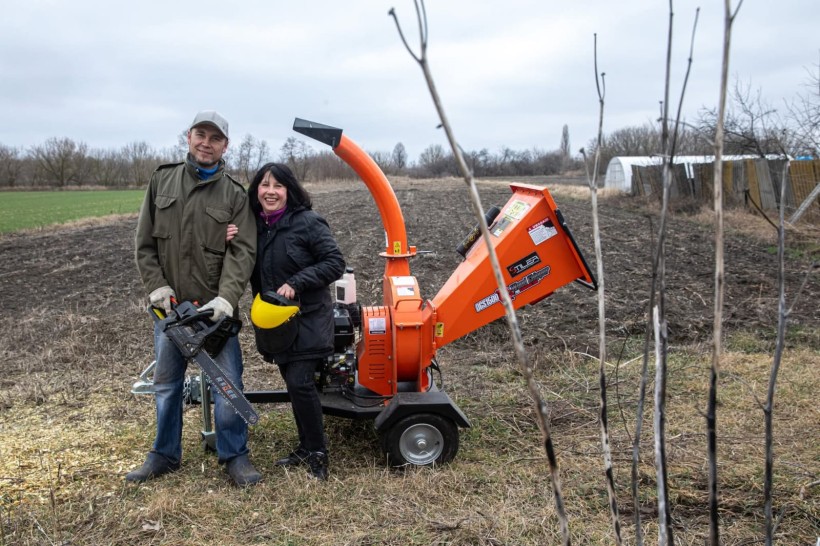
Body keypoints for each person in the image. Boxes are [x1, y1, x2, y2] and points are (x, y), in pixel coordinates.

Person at [128, 110, 260, 486]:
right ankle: (164, 454)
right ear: (188, 137)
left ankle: (235, 455)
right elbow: (144, 243)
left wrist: (226, 299)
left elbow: (243, 252)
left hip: (213, 313)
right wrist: (157, 287)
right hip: (169, 311)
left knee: (228, 384)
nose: (206, 142)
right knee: (167, 385)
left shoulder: (235, 195)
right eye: (200, 134)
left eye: (215, 138)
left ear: (225, 146)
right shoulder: (162, 180)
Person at [247, 162, 345, 480]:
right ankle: (305, 447)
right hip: (277, 322)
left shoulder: (308, 223)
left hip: (309, 317)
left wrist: (298, 281)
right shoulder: (255, 227)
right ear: (256, 190)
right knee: (293, 384)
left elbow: (335, 262)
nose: (271, 192)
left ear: (289, 190)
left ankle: (318, 453)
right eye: (265, 185)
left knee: (300, 383)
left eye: (278, 186)